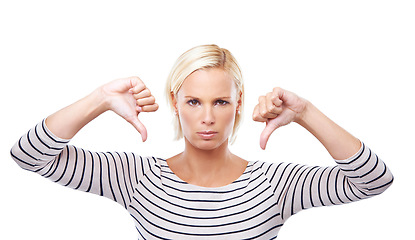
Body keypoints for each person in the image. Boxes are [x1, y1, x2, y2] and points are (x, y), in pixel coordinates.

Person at [11, 44, 393, 239]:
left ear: (238, 104)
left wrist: (306, 112)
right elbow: (29, 155)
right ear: (175, 102)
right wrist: (100, 99)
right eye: (193, 101)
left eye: (221, 102)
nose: (207, 117)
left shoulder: (276, 185)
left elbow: (375, 181)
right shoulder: (135, 177)